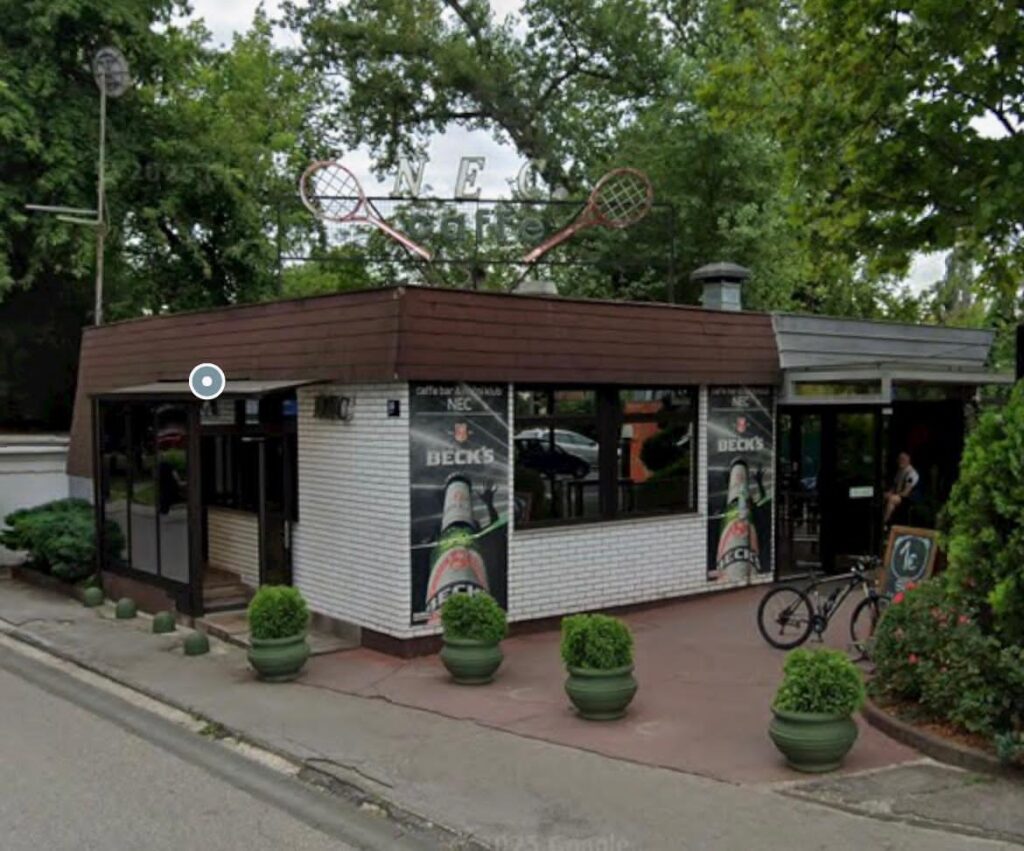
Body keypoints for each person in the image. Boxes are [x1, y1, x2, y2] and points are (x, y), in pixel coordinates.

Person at [883, 451, 920, 526]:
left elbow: (906, 492)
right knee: (883, 496)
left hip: (908, 498)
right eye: (899, 459)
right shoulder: (900, 471)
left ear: (908, 460)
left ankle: (884, 522)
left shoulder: (911, 474)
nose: (900, 461)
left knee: (892, 499)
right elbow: (894, 486)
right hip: (899, 495)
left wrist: (893, 495)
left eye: (903, 459)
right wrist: (889, 493)